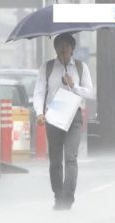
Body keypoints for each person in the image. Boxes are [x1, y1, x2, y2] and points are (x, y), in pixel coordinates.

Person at [33, 33, 94, 210]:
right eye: (60, 46)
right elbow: (39, 92)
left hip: (73, 116)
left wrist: (73, 85)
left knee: (70, 158)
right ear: (56, 48)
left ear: (72, 49)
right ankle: (58, 195)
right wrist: (39, 112)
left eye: (67, 46)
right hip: (53, 116)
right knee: (55, 161)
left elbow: (90, 92)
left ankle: (68, 197)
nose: (63, 50)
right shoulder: (48, 68)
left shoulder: (81, 68)